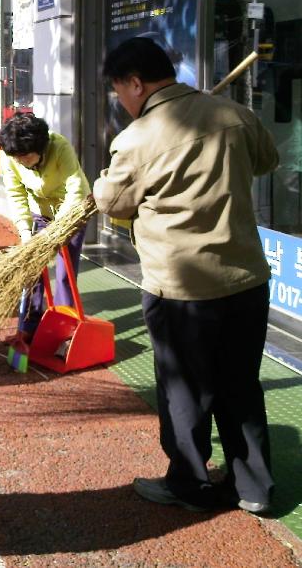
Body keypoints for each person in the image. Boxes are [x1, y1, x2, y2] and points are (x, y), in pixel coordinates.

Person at [93, 37, 279, 515]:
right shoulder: (231, 114)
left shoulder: (136, 140)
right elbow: (265, 161)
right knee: (240, 384)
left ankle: (190, 485)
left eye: (120, 92)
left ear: (135, 83)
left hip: (181, 289)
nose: (123, 102)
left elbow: (112, 203)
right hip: (245, 281)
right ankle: (255, 487)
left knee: (186, 393)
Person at [0, 113, 91, 342]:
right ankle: (29, 324)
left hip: (73, 211)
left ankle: (63, 326)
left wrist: (59, 228)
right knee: (32, 269)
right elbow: (15, 193)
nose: (20, 161)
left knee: (65, 271)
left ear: (40, 147)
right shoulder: (11, 156)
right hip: (40, 211)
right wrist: (25, 232)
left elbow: (75, 188)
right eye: (16, 157)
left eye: (25, 157)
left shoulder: (59, 146)